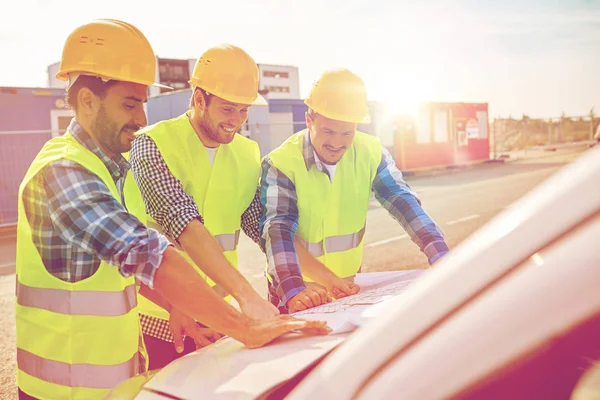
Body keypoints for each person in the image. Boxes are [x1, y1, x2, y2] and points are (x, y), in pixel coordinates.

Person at [15, 20, 329, 400]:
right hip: (61, 390)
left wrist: (175, 304)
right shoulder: (64, 172)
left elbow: (110, 268)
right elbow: (151, 253)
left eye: (142, 104)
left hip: (111, 380)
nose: (141, 120)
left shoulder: (106, 165)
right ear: (86, 101)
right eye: (129, 104)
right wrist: (242, 324)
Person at [124, 44, 279, 369]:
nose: (235, 121)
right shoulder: (150, 143)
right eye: (227, 109)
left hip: (219, 311)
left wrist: (298, 278)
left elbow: (262, 227)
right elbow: (182, 223)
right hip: (163, 311)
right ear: (198, 99)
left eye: (243, 110)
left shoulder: (247, 152)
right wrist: (246, 296)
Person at [259, 68, 450, 313]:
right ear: (310, 119)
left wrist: (439, 253)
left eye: (347, 133)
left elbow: (402, 202)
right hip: (295, 290)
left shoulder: (370, 152)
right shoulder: (282, 163)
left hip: (347, 288)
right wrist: (294, 290)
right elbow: (278, 228)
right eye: (328, 131)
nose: (337, 143)